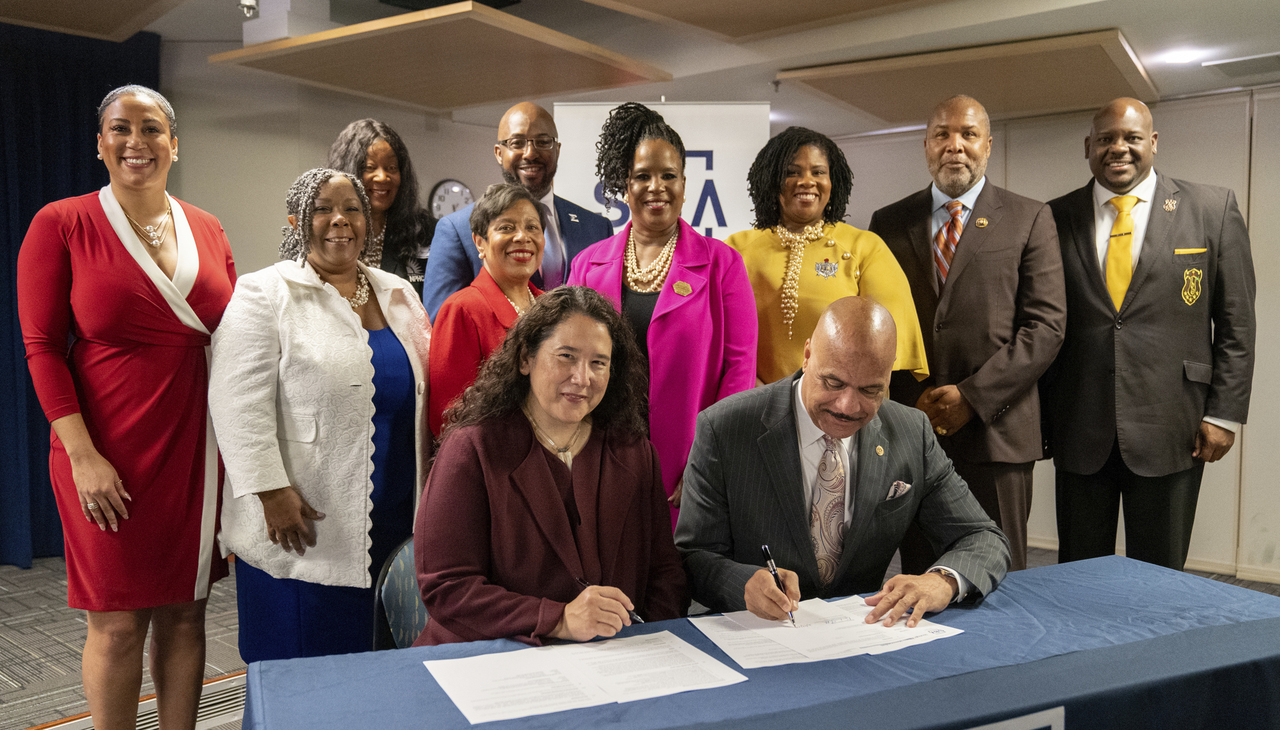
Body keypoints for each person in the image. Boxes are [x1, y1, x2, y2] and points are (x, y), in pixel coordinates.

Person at [17, 85, 235, 729]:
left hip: (194, 447)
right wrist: (82, 456)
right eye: (120, 129)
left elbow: (232, 336)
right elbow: (41, 347)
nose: (136, 141)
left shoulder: (209, 226)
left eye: (151, 128)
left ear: (175, 143)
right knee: (115, 622)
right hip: (102, 447)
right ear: (100, 144)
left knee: (186, 611)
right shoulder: (61, 223)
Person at [675, 297, 1009, 627]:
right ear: (807, 356)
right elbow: (694, 557)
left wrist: (943, 580)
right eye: (833, 383)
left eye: (871, 390)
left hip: (859, 634)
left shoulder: (911, 432)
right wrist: (742, 583)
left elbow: (982, 536)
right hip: (753, 632)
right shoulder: (725, 427)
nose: (848, 406)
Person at [209, 168, 431, 661]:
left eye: (352, 209)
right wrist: (270, 490)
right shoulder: (265, 293)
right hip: (304, 519)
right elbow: (234, 401)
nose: (340, 220)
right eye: (323, 209)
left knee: (381, 660)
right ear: (297, 220)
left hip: (396, 513)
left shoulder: (399, 293)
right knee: (301, 664)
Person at [1043, 98, 1255, 570]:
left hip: (1173, 426)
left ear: (1153, 143)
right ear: (1088, 147)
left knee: (1160, 576)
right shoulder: (1053, 218)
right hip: (1080, 424)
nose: (1118, 148)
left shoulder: (1211, 208)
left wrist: (1225, 414)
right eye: (1105, 139)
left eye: (1132, 137)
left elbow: (1237, 323)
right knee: (1078, 573)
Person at [415, 287, 688, 645]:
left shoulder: (635, 452)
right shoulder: (471, 448)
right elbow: (447, 587)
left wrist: (642, 642)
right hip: (490, 660)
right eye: (566, 356)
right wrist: (558, 619)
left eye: (598, 363)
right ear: (525, 358)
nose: (582, 377)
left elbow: (665, 574)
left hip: (614, 662)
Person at [867, 95, 1066, 573]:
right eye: (942, 134)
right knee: (917, 570)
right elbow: (878, 322)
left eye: (968, 134)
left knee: (1000, 571)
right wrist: (908, 403)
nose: (954, 145)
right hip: (912, 427)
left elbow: (1046, 326)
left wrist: (972, 398)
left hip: (996, 429)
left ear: (989, 145)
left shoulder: (1030, 217)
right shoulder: (888, 223)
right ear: (926, 145)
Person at [568, 102, 757, 526]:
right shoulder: (586, 265)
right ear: (623, 184)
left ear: (685, 184)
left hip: (686, 465)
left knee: (679, 582)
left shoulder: (722, 264)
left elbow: (739, 370)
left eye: (668, 175)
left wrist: (709, 460)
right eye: (642, 176)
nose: (657, 187)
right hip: (599, 455)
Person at [726, 126, 927, 386]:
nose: (807, 181)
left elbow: (884, 344)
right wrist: (754, 391)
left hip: (842, 407)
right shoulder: (735, 250)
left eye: (818, 172)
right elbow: (714, 338)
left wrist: (833, 395)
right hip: (753, 403)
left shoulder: (865, 248)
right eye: (792, 173)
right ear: (771, 181)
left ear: (833, 182)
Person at [421, 102, 612, 320]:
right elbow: (442, 321)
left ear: (557, 150)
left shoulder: (597, 228)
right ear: (498, 153)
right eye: (517, 143)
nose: (531, 153)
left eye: (542, 142)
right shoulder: (457, 229)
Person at [428, 183, 546, 437]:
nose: (522, 237)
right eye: (506, 227)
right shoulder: (462, 310)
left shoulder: (551, 307)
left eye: (532, 227)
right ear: (480, 242)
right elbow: (448, 418)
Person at [327, 118, 434, 297]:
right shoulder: (329, 230)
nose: (382, 177)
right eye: (370, 168)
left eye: (392, 167)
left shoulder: (427, 231)